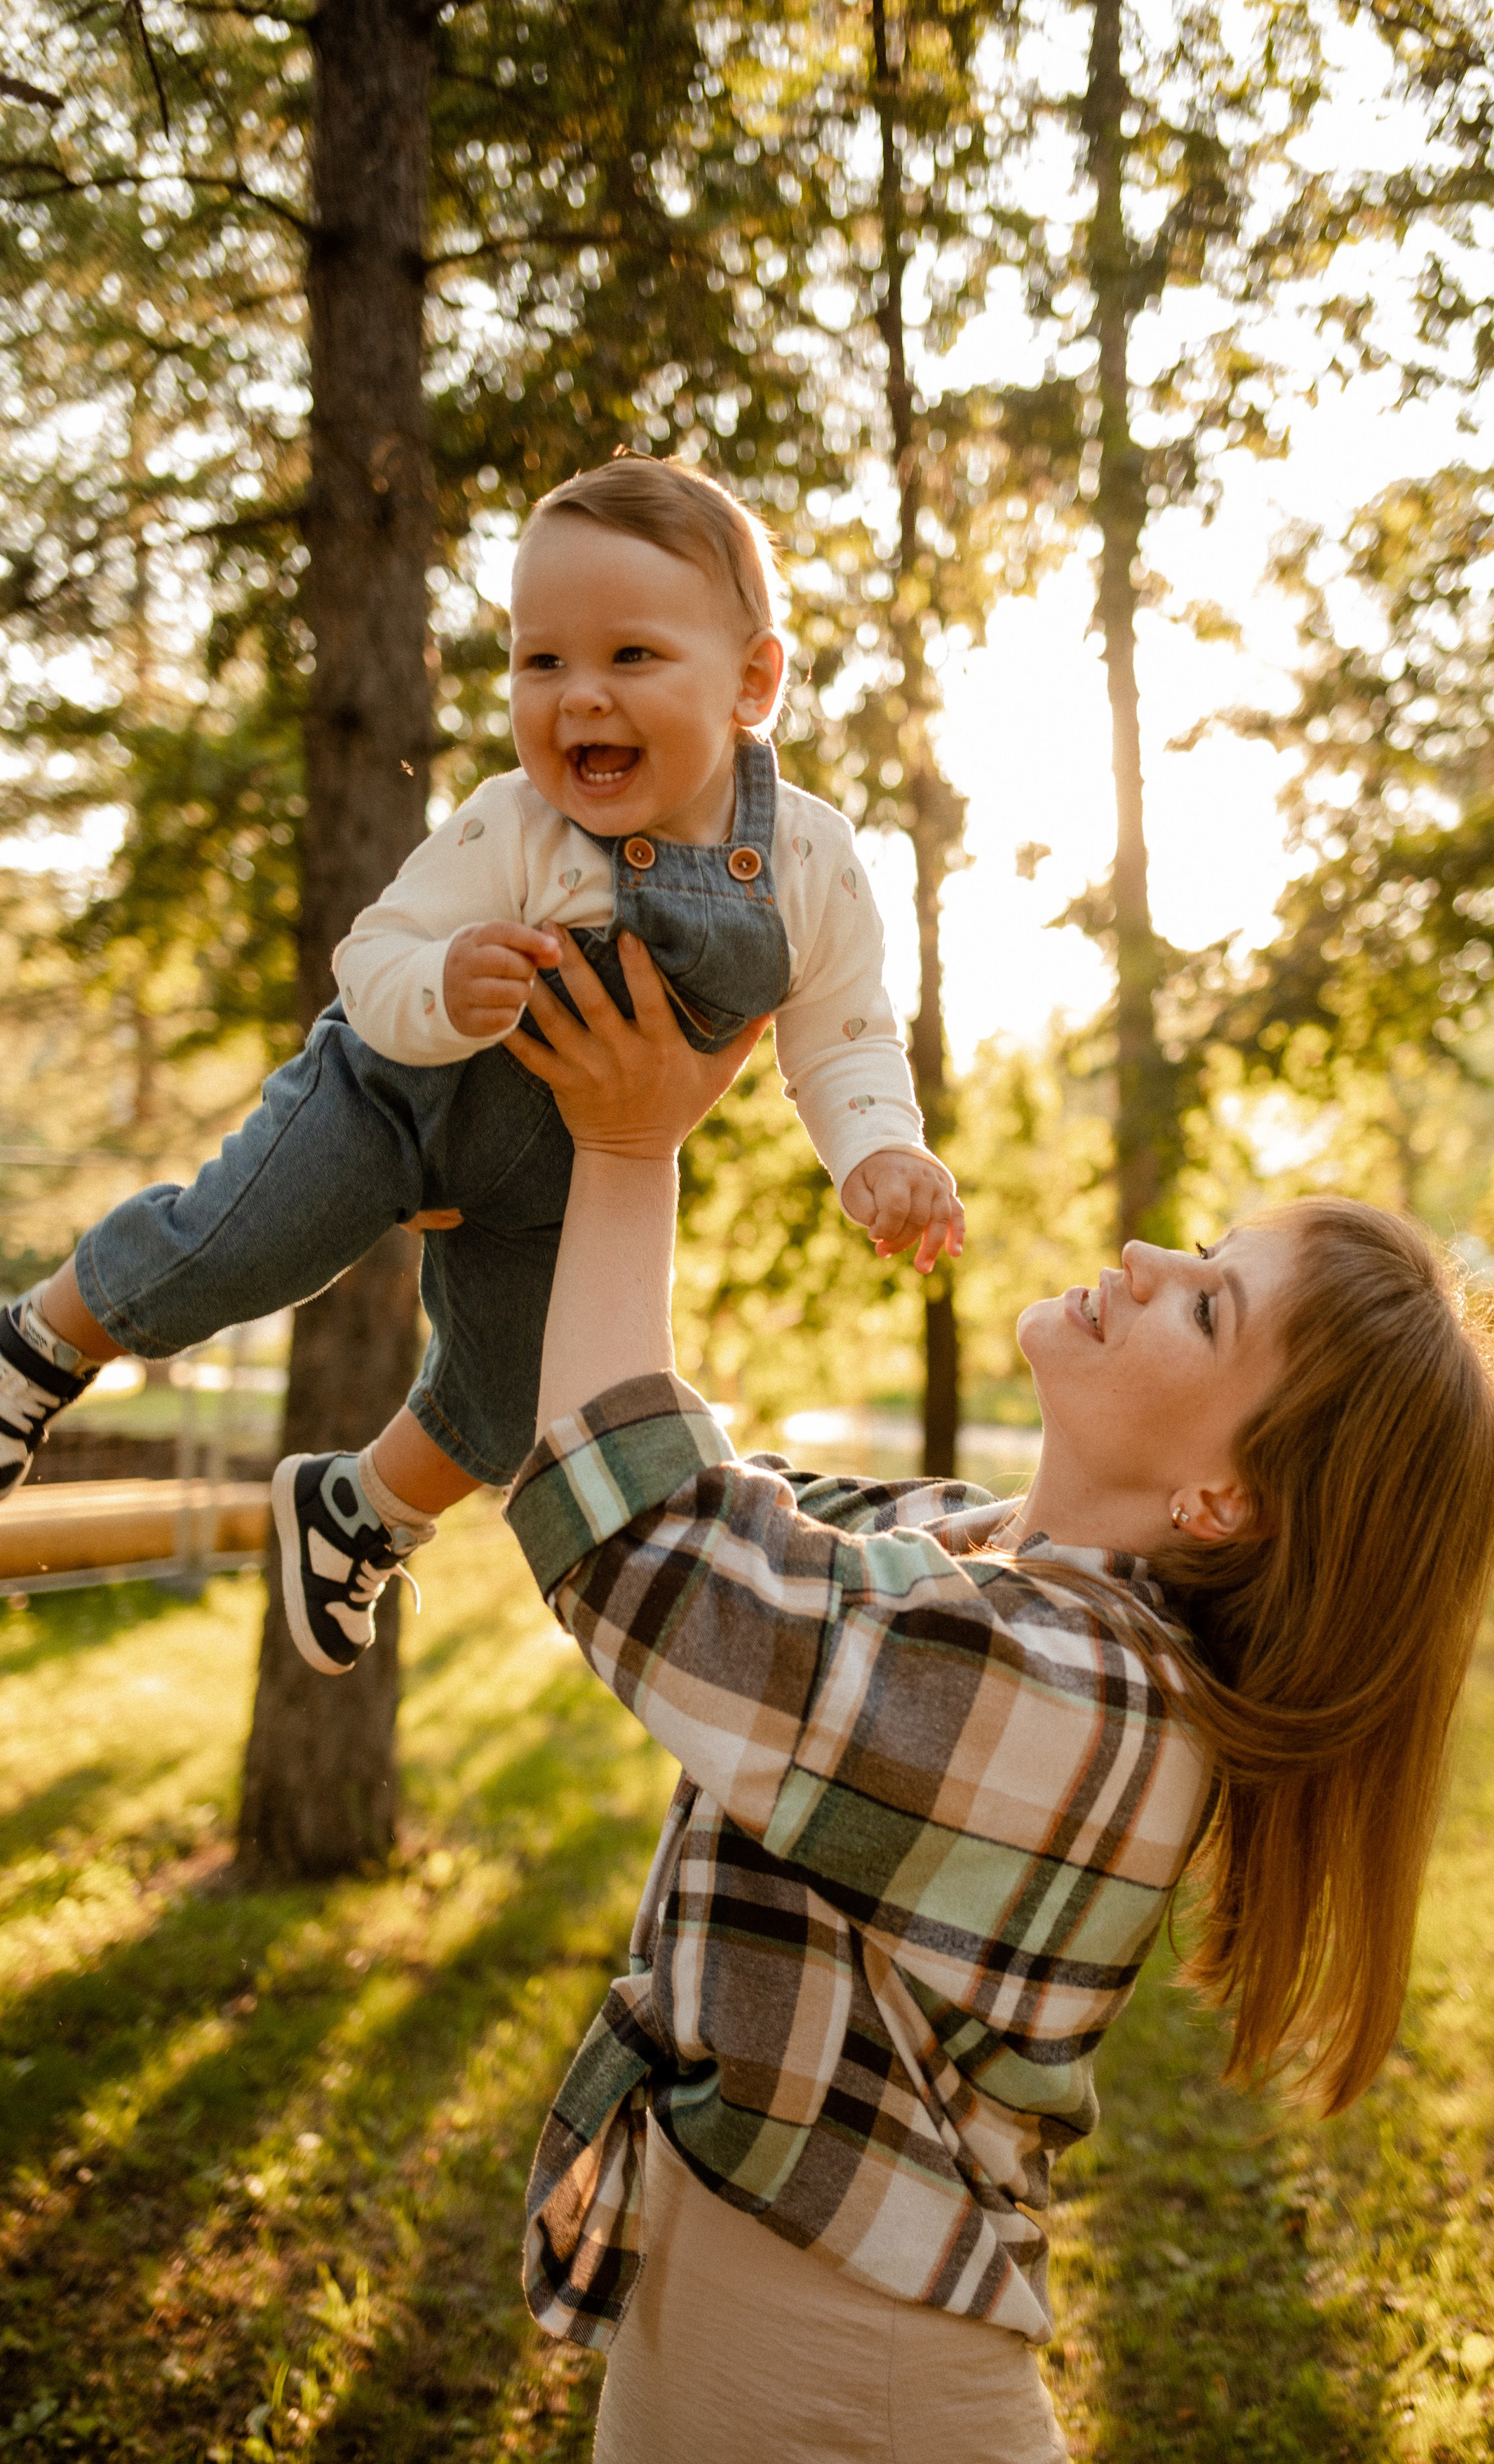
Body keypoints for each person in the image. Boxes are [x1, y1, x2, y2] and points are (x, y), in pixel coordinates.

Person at [497, 934, 1494, 2464]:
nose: (1139, 1259)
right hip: (743, 2323)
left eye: (1208, 1301)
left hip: (852, 2419)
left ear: (1222, 1500)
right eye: (1200, 1249)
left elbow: (641, 1540)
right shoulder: (974, 1550)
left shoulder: (1098, 1704)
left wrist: (630, 1148)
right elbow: (682, 1460)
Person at [0, 456, 960, 1674]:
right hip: (392, 1101)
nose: (578, 699)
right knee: (239, 1250)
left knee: (517, 1405)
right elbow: (373, 955)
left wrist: (881, 1148)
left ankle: (359, 1512)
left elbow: (843, 1031)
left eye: (630, 658)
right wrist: (446, 982)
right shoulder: (516, 822)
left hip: (558, 1175)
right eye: (540, 661)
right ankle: (40, 1342)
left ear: (751, 685)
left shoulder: (811, 865)